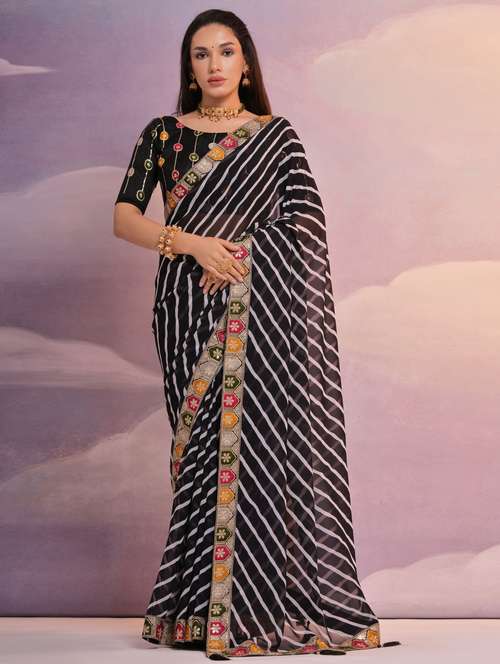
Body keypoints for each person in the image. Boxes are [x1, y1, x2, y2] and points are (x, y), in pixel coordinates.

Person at [113, 8, 401, 661]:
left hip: (260, 315)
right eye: (201, 54)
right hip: (186, 307)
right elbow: (125, 217)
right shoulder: (164, 135)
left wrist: (241, 255)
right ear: (189, 68)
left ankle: (259, 609)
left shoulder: (276, 138)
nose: (214, 64)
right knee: (201, 458)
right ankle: (196, 610)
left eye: (226, 52)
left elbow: (304, 228)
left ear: (246, 65)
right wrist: (194, 246)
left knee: (261, 451)